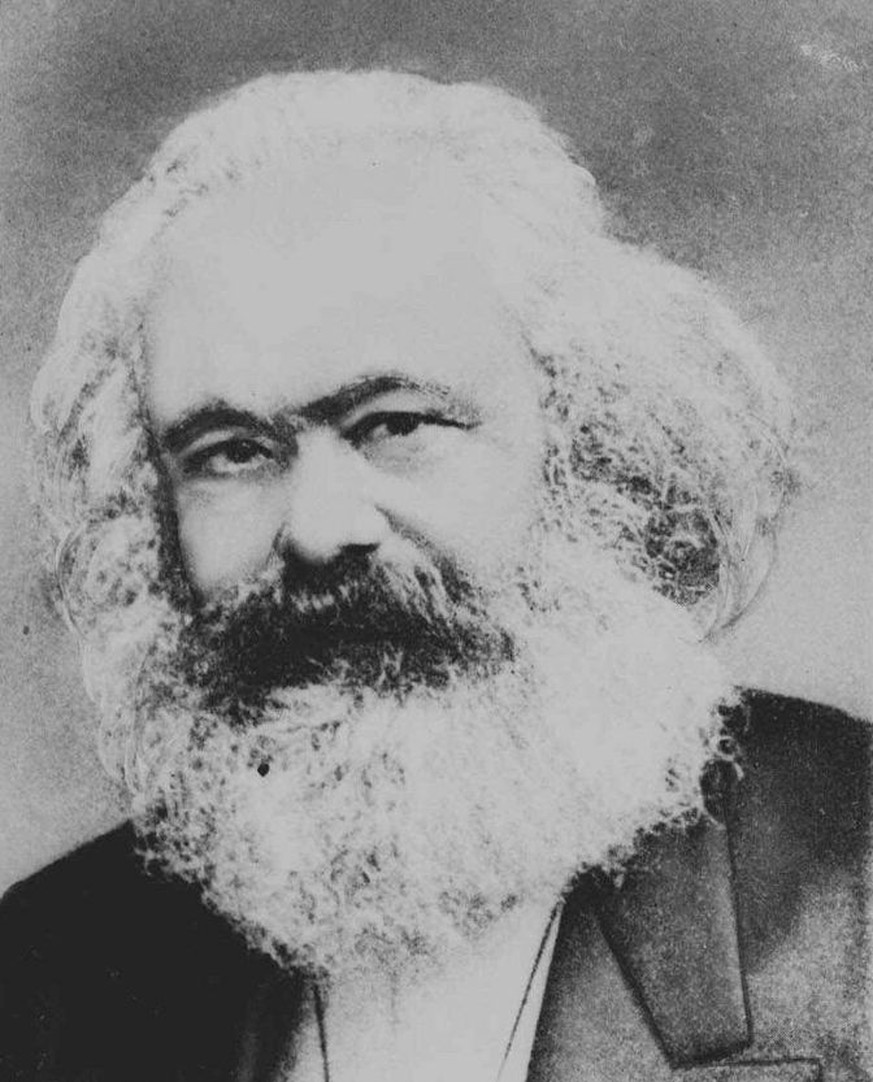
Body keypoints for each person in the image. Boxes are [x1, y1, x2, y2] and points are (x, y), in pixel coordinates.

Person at [0, 69, 868, 1081]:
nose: (318, 529)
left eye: (396, 423)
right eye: (231, 452)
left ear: (586, 440)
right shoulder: (42, 977)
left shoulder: (852, 883)